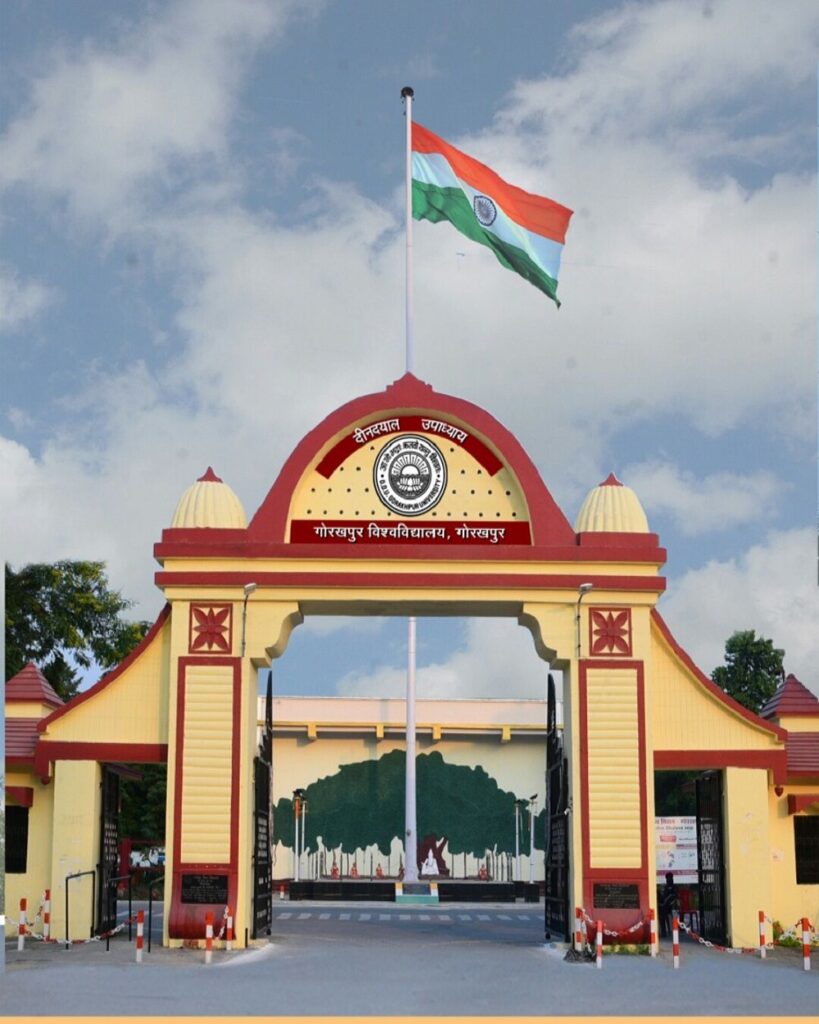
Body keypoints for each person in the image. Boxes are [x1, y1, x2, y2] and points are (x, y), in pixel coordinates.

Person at [659, 872, 679, 938]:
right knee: (662, 915)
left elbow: (675, 896)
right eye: (667, 878)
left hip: (673, 906)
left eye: (670, 878)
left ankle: (674, 932)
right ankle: (663, 932)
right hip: (666, 906)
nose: (669, 880)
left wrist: (669, 901)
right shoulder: (665, 887)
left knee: (671, 911)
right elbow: (664, 897)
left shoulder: (674, 887)